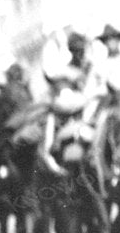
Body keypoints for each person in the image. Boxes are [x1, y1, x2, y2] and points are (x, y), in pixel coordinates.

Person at [40, 27, 95, 171]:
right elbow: (63, 100)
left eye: (82, 50)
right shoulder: (66, 72)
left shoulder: (89, 69)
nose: (80, 54)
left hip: (89, 112)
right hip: (70, 113)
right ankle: (50, 157)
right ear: (71, 51)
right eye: (76, 50)